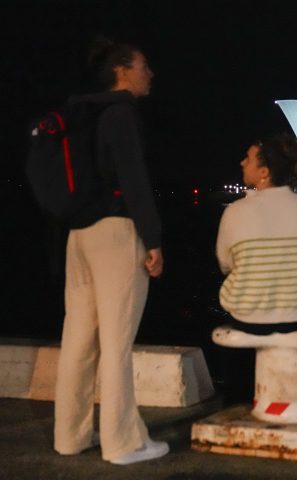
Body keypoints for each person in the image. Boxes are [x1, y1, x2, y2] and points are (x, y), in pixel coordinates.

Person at [53, 36, 168, 465]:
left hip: (78, 235)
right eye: (144, 66)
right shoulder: (121, 113)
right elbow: (134, 179)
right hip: (117, 232)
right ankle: (122, 443)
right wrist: (153, 239)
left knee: (78, 340)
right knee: (117, 343)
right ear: (122, 70)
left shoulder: (83, 113)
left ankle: (70, 436)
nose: (150, 73)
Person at [216, 132, 297, 334]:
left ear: (264, 172)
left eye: (248, 159)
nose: (242, 163)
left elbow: (226, 265)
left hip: (247, 317)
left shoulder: (235, 211)